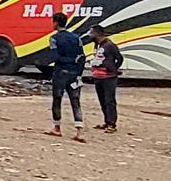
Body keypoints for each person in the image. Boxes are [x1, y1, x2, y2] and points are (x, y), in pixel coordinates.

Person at [46, 13, 86, 142]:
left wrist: (66, 61)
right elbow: (82, 57)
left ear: (56, 23)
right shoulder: (76, 38)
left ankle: (57, 127)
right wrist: (78, 71)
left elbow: (55, 57)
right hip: (74, 73)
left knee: (57, 100)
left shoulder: (54, 39)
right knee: (75, 101)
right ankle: (79, 130)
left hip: (60, 73)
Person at [88, 25, 123, 133]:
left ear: (97, 34)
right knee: (102, 100)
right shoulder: (97, 45)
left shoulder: (109, 45)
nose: (90, 35)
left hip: (108, 78)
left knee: (109, 100)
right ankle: (107, 121)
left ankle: (112, 124)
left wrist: (113, 69)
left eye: (91, 33)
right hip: (98, 77)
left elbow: (119, 58)